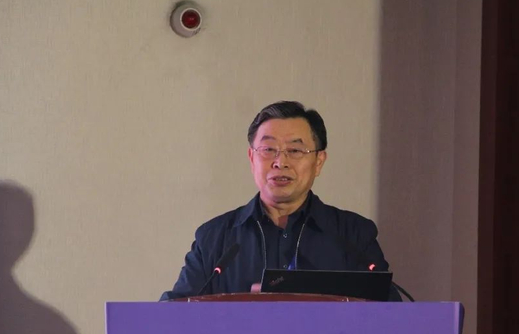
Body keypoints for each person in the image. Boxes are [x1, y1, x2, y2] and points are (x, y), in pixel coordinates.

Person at [160, 101, 401, 301]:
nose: (280, 162)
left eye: (295, 151)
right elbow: (174, 314)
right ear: (252, 158)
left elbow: (391, 316)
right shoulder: (214, 239)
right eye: (268, 150)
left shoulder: (353, 235)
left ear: (318, 162)